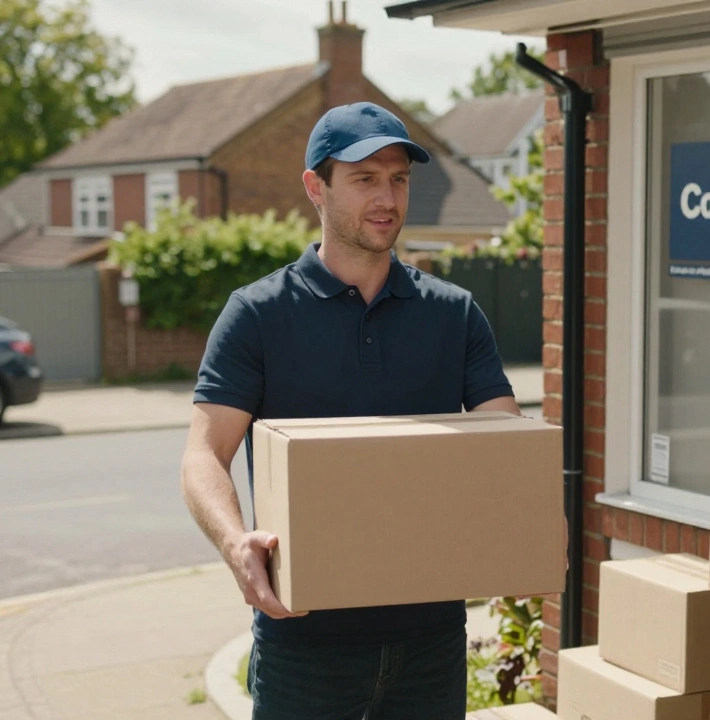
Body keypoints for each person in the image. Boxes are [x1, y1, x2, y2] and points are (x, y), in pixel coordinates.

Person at [180, 101, 522, 720]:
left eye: (399, 178)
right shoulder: (257, 315)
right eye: (365, 179)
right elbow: (204, 454)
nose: (387, 197)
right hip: (303, 642)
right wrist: (235, 544)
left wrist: (522, 524)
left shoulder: (454, 314)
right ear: (317, 187)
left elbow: (505, 447)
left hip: (431, 642)